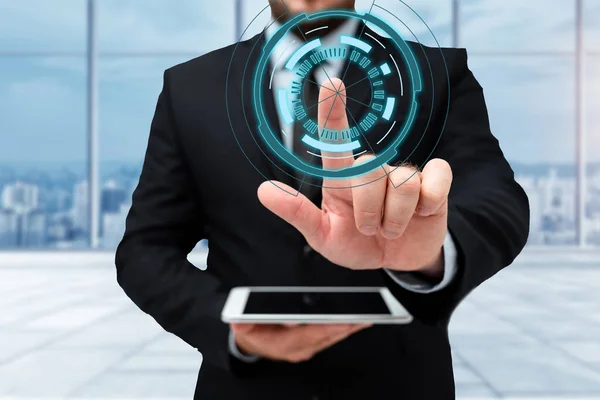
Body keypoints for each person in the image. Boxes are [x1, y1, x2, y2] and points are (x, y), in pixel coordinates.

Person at [115, 0, 530, 399]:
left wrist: (430, 254)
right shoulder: (191, 87)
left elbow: (498, 202)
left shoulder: (437, 75)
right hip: (244, 390)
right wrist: (230, 327)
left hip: (400, 385)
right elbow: (146, 249)